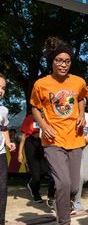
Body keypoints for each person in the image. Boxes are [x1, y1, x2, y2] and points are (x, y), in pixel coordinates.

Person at [30, 37, 88, 225]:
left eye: (67, 61)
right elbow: (34, 107)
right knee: (62, 183)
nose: (63, 65)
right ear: (52, 62)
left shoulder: (79, 82)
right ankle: (64, 221)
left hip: (75, 138)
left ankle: (63, 201)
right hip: (53, 139)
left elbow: (82, 98)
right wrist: (44, 126)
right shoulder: (41, 84)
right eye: (59, 60)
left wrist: (81, 114)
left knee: (73, 187)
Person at [18, 113, 55, 203]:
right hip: (30, 144)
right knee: (36, 175)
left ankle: (33, 185)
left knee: (46, 171)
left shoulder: (48, 117)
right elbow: (23, 136)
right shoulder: (30, 118)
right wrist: (20, 153)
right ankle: (35, 193)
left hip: (42, 143)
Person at [72, 97, 88, 212]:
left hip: (85, 146)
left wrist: (86, 139)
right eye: (80, 103)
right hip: (73, 147)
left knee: (85, 177)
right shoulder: (70, 116)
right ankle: (76, 201)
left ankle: (73, 196)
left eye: (84, 104)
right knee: (79, 176)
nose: (82, 105)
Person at [0, 73, 16, 225]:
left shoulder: (3, 110)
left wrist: (8, 142)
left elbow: (4, 128)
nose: (0, 90)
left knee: (2, 189)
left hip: (1, 155)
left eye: (3, 88)